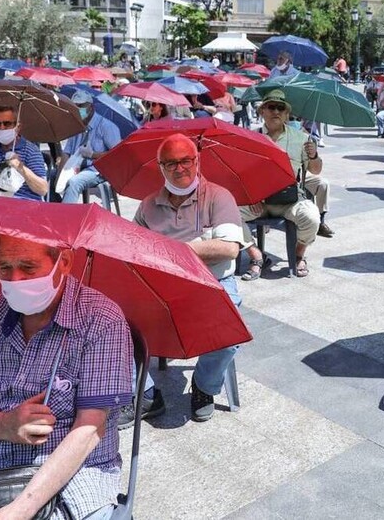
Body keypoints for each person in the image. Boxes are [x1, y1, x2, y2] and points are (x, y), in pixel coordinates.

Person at [0, 236, 133, 520]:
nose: (15, 280)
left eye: (28, 267)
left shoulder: (101, 320)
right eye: (5, 267)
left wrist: (20, 510)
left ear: (63, 262)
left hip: (78, 474)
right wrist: (4, 424)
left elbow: (90, 429)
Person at [132, 134, 247, 423]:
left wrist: (173, 250)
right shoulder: (147, 205)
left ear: (197, 160)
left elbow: (229, 249)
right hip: (161, 286)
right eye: (171, 163)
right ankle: (147, 393)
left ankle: (204, 386)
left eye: (186, 161)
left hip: (213, 284)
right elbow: (133, 248)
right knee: (114, 323)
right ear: (160, 167)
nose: (179, 168)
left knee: (229, 330)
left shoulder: (219, 197)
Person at [240, 90, 321, 279]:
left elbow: (316, 171)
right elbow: (242, 173)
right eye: (271, 107)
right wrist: (249, 195)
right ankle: (257, 255)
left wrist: (313, 155)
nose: (276, 111)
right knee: (226, 215)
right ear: (262, 111)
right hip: (258, 200)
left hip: (290, 200)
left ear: (286, 114)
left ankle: (298, 253)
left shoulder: (301, 138)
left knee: (312, 218)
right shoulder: (250, 137)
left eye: (281, 108)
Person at [58, 90, 122, 204]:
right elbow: (66, 152)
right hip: (76, 167)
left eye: (81, 106)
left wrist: (93, 154)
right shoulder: (76, 125)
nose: (78, 109)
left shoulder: (106, 126)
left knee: (74, 182)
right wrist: (60, 175)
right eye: (75, 106)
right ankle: (55, 211)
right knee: (53, 176)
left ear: (90, 107)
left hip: (97, 170)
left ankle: (65, 218)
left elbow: (117, 156)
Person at [0, 106, 49, 200]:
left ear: (18, 127)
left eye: (7, 123)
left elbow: (43, 189)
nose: (1, 128)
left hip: (25, 204)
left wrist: (20, 167)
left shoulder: (31, 151)